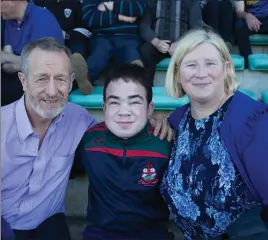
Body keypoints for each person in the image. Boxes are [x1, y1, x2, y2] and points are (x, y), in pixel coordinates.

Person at [1, 38, 172, 240]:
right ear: (23, 81)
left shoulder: (80, 120)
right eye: (41, 79)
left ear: (72, 80)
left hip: (48, 224)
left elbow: (119, 124)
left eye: (61, 79)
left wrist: (154, 118)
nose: (52, 91)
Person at [160, 28, 268, 239]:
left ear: (225, 69)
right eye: (191, 65)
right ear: (178, 74)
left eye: (210, 63)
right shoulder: (178, 122)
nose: (201, 73)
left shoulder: (258, 124)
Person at [81, 64, 174, 240]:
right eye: (114, 102)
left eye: (134, 102)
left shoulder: (164, 142)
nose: (124, 112)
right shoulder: (89, 140)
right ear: (104, 107)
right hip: (100, 232)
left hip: (151, 232)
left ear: (149, 109)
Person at [1, 0, 64, 106]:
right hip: (20, 76)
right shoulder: (9, 21)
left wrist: (6, 58)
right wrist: (18, 61)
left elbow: (41, 63)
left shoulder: (42, 17)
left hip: (45, 79)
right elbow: (8, 65)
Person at [82, 0, 147, 83]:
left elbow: (138, 8)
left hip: (128, 37)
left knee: (131, 56)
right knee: (98, 56)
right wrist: (119, 17)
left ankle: (136, 79)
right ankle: (85, 81)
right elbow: (88, 18)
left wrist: (110, 6)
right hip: (101, 37)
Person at [139, 0, 202, 84]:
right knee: (145, 50)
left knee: (193, 52)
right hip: (158, 43)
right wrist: (156, 42)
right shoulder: (152, 1)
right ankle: (147, 89)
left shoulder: (191, 2)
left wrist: (180, 44)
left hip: (182, 44)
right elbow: (144, 24)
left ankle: (187, 89)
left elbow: (196, 28)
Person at [234, 0, 268, 66]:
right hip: (252, 21)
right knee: (239, 25)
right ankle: (247, 61)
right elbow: (239, 11)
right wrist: (247, 16)